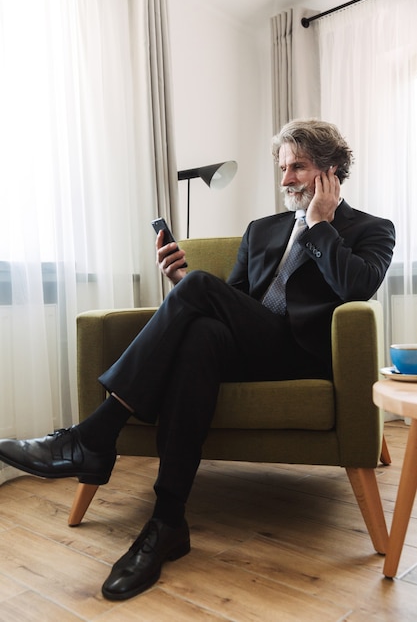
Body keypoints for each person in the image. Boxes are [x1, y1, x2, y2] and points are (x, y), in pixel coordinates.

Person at [0, 119, 395, 601]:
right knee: (202, 333)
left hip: (301, 354)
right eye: (282, 167)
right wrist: (184, 280)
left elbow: (357, 287)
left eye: (299, 167)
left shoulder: (371, 229)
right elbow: (232, 302)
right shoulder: (261, 230)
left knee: (202, 295)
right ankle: (167, 522)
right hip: (248, 344)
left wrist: (319, 223)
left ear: (331, 171)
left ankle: (96, 435)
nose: (286, 178)